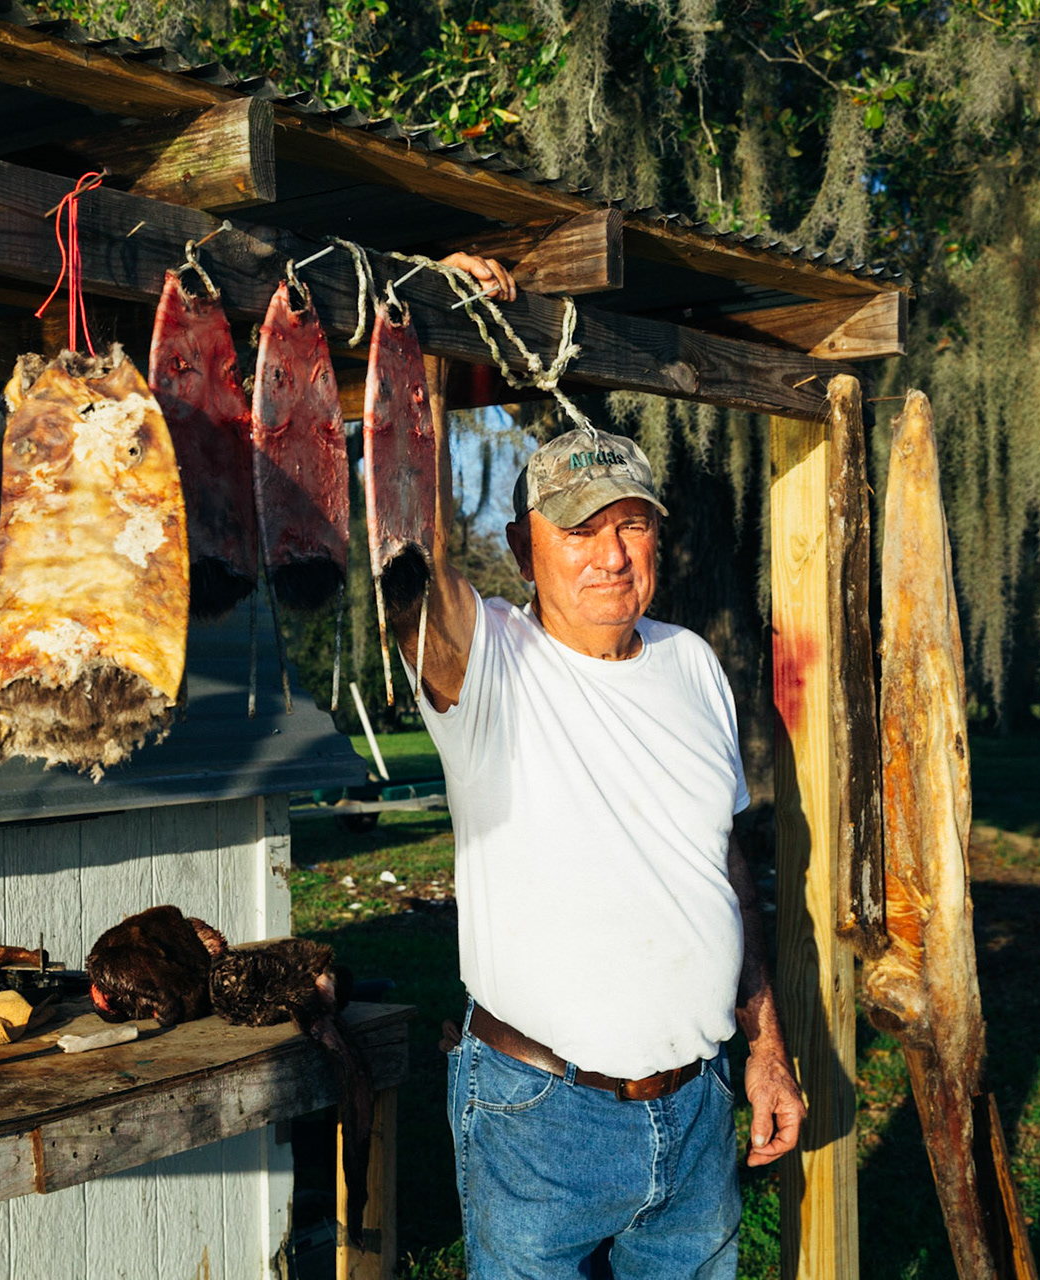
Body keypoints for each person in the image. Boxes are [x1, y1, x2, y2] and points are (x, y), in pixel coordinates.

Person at [388, 252, 806, 1279]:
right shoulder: (487, 664)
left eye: (631, 526)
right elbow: (410, 538)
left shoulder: (693, 663)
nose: (610, 555)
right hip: (541, 1113)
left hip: (699, 1108)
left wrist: (763, 1044)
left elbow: (725, 875)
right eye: (580, 532)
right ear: (529, 550)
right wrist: (435, 328)